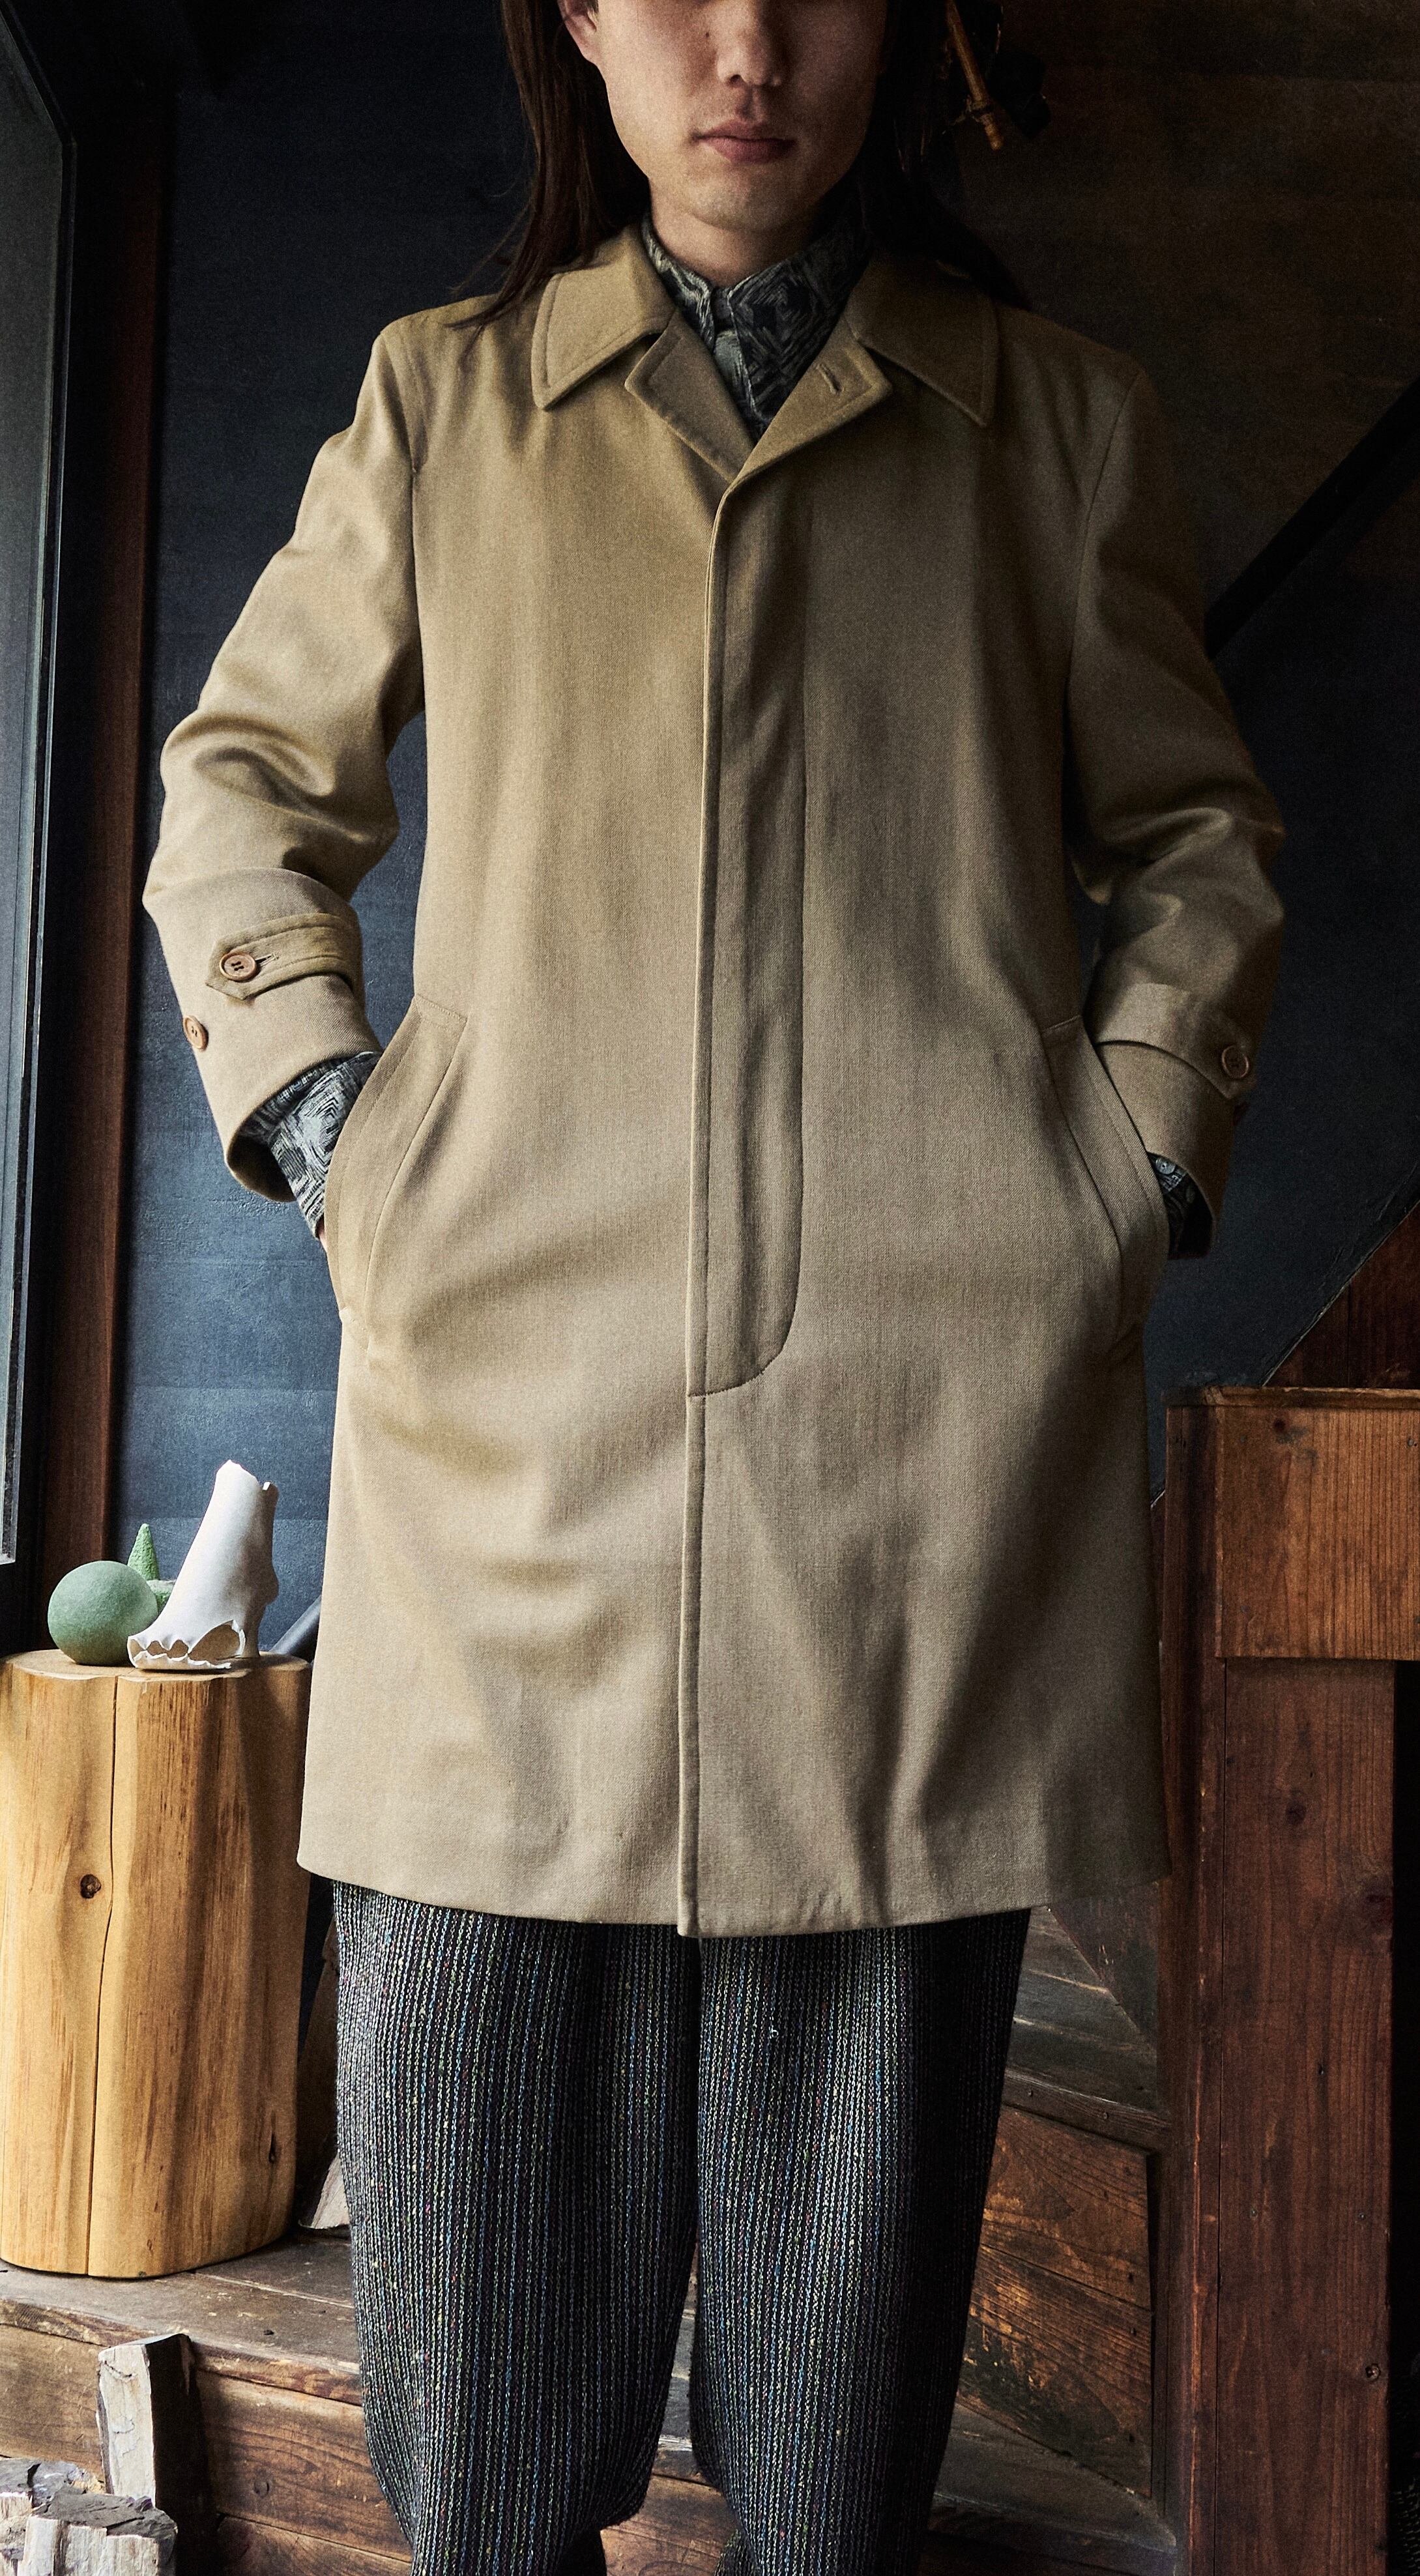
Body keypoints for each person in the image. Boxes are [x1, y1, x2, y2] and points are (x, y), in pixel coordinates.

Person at [143, 0, 1286, 2568]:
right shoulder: (442, 407)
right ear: (571, 17)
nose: (742, 43)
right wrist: (343, 1136)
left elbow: (1196, 839)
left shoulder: (1051, 425)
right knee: (480, 2446)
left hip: (924, 1474)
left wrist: (1117, 1168)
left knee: (831, 2462)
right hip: (500, 1466)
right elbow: (241, 791)